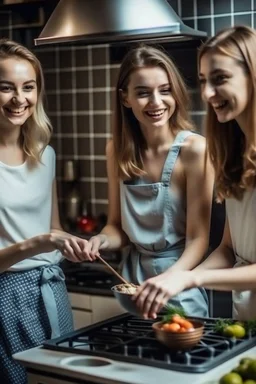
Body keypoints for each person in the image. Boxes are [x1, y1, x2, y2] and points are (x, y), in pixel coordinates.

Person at [133, 25, 256, 321]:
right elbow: (229, 249)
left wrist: (190, 279)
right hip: (247, 317)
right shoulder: (235, 155)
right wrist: (175, 282)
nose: (207, 93)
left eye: (220, 79)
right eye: (202, 81)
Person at [83, 45, 214, 318]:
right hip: (131, 286)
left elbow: (198, 239)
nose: (156, 102)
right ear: (125, 98)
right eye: (143, 93)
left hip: (178, 283)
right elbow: (116, 227)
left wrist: (168, 281)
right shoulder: (116, 151)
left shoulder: (195, 150)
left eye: (165, 90)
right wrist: (100, 240)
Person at [0, 38, 93, 384]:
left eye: (28, 87)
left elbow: (53, 228)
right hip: (4, 296)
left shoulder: (46, 155)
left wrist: (76, 243)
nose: (19, 99)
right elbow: (42, 238)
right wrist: (41, 242)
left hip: (51, 289)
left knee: (58, 379)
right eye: (5, 88)